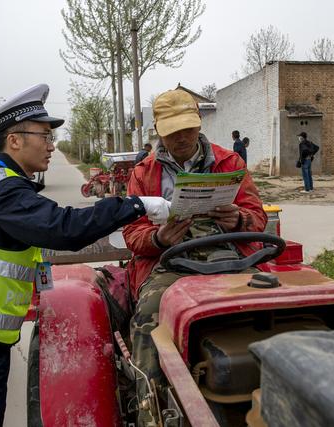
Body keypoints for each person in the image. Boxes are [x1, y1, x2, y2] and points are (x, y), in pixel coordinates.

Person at [0, 83, 170, 427]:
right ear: (15, 140)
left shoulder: (5, 182)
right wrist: (135, 204)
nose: (52, 145)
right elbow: (66, 228)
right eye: (44, 135)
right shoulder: (6, 192)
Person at [123, 89, 268, 425]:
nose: (181, 137)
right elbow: (132, 234)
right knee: (150, 312)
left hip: (230, 254)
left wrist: (239, 218)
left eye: (187, 128)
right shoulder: (143, 174)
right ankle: (153, 410)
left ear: (198, 124)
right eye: (173, 131)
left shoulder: (230, 162)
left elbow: (256, 217)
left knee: (279, 298)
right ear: (158, 130)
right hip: (171, 260)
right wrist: (158, 238)